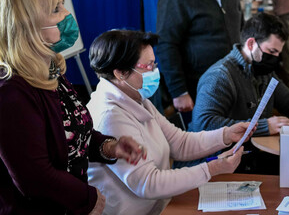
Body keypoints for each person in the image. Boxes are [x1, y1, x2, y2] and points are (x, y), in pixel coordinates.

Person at [0, 0, 144, 214]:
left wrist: (110, 147)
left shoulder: (49, 71)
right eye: (56, 9)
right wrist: (87, 198)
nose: (67, 13)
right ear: (28, 25)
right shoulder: (10, 92)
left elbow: (71, 132)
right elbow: (34, 177)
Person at [86, 30, 251, 214]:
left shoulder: (137, 98)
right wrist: (211, 169)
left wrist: (225, 135)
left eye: (154, 63)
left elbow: (180, 143)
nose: (155, 71)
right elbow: (148, 183)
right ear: (121, 73)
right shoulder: (110, 116)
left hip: (161, 206)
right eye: (148, 66)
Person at [190, 13, 289, 173]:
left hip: (250, 154)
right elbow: (204, 125)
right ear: (251, 44)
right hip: (220, 164)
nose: (275, 58)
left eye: (278, 53)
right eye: (271, 51)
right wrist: (263, 126)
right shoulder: (219, 77)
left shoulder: (263, 71)